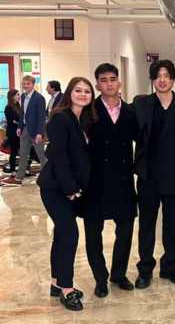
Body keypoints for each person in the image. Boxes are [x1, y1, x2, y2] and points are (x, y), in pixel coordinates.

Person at [133, 59, 175, 289]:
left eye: (166, 75)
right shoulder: (140, 104)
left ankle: (170, 265)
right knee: (147, 224)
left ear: (173, 79)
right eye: (158, 75)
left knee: (171, 223)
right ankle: (145, 268)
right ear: (152, 79)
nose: (162, 80)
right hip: (148, 176)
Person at [36, 77, 98, 311]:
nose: (83, 94)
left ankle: (56, 283)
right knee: (70, 235)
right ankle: (67, 290)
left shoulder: (81, 119)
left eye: (87, 91)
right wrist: (70, 188)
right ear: (69, 92)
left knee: (61, 235)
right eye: (78, 90)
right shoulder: (61, 118)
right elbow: (59, 157)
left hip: (68, 188)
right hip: (56, 188)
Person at [81, 63, 137, 298]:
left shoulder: (131, 112)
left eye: (113, 79)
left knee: (125, 231)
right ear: (97, 85)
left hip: (123, 180)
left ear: (120, 83)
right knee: (93, 233)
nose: (109, 83)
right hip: (95, 181)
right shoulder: (88, 111)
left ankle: (118, 274)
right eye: (103, 80)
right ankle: (100, 279)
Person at [3, 75, 48, 185]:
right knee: (23, 154)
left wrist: (39, 132)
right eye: (24, 84)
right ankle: (19, 177)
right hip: (25, 130)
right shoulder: (23, 96)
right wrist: (19, 127)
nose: (25, 86)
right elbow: (23, 113)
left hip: (36, 131)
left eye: (28, 84)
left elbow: (42, 117)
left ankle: (51, 176)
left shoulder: (39, 98)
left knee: (41, 154)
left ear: (33, 84)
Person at [4, 89, 21, 178]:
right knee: (14, 152)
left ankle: (23, 169)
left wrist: (18, 121)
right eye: (17, 94)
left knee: (22, 151)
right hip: (12, 133)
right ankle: (13, 170)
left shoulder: (18, 106)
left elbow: (20, 119)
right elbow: (17, 118)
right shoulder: (9, 107)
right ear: (12, 96)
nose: (19, 96)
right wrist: (18, 121)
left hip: (20, 132)